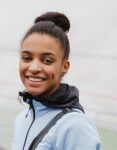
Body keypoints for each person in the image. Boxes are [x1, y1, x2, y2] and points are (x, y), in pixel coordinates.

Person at [12, 12, 100, 150]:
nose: (34, 68)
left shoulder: (75, 126)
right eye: (27, 58)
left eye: (47, 61)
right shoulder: (22, 118)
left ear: (64, 66)